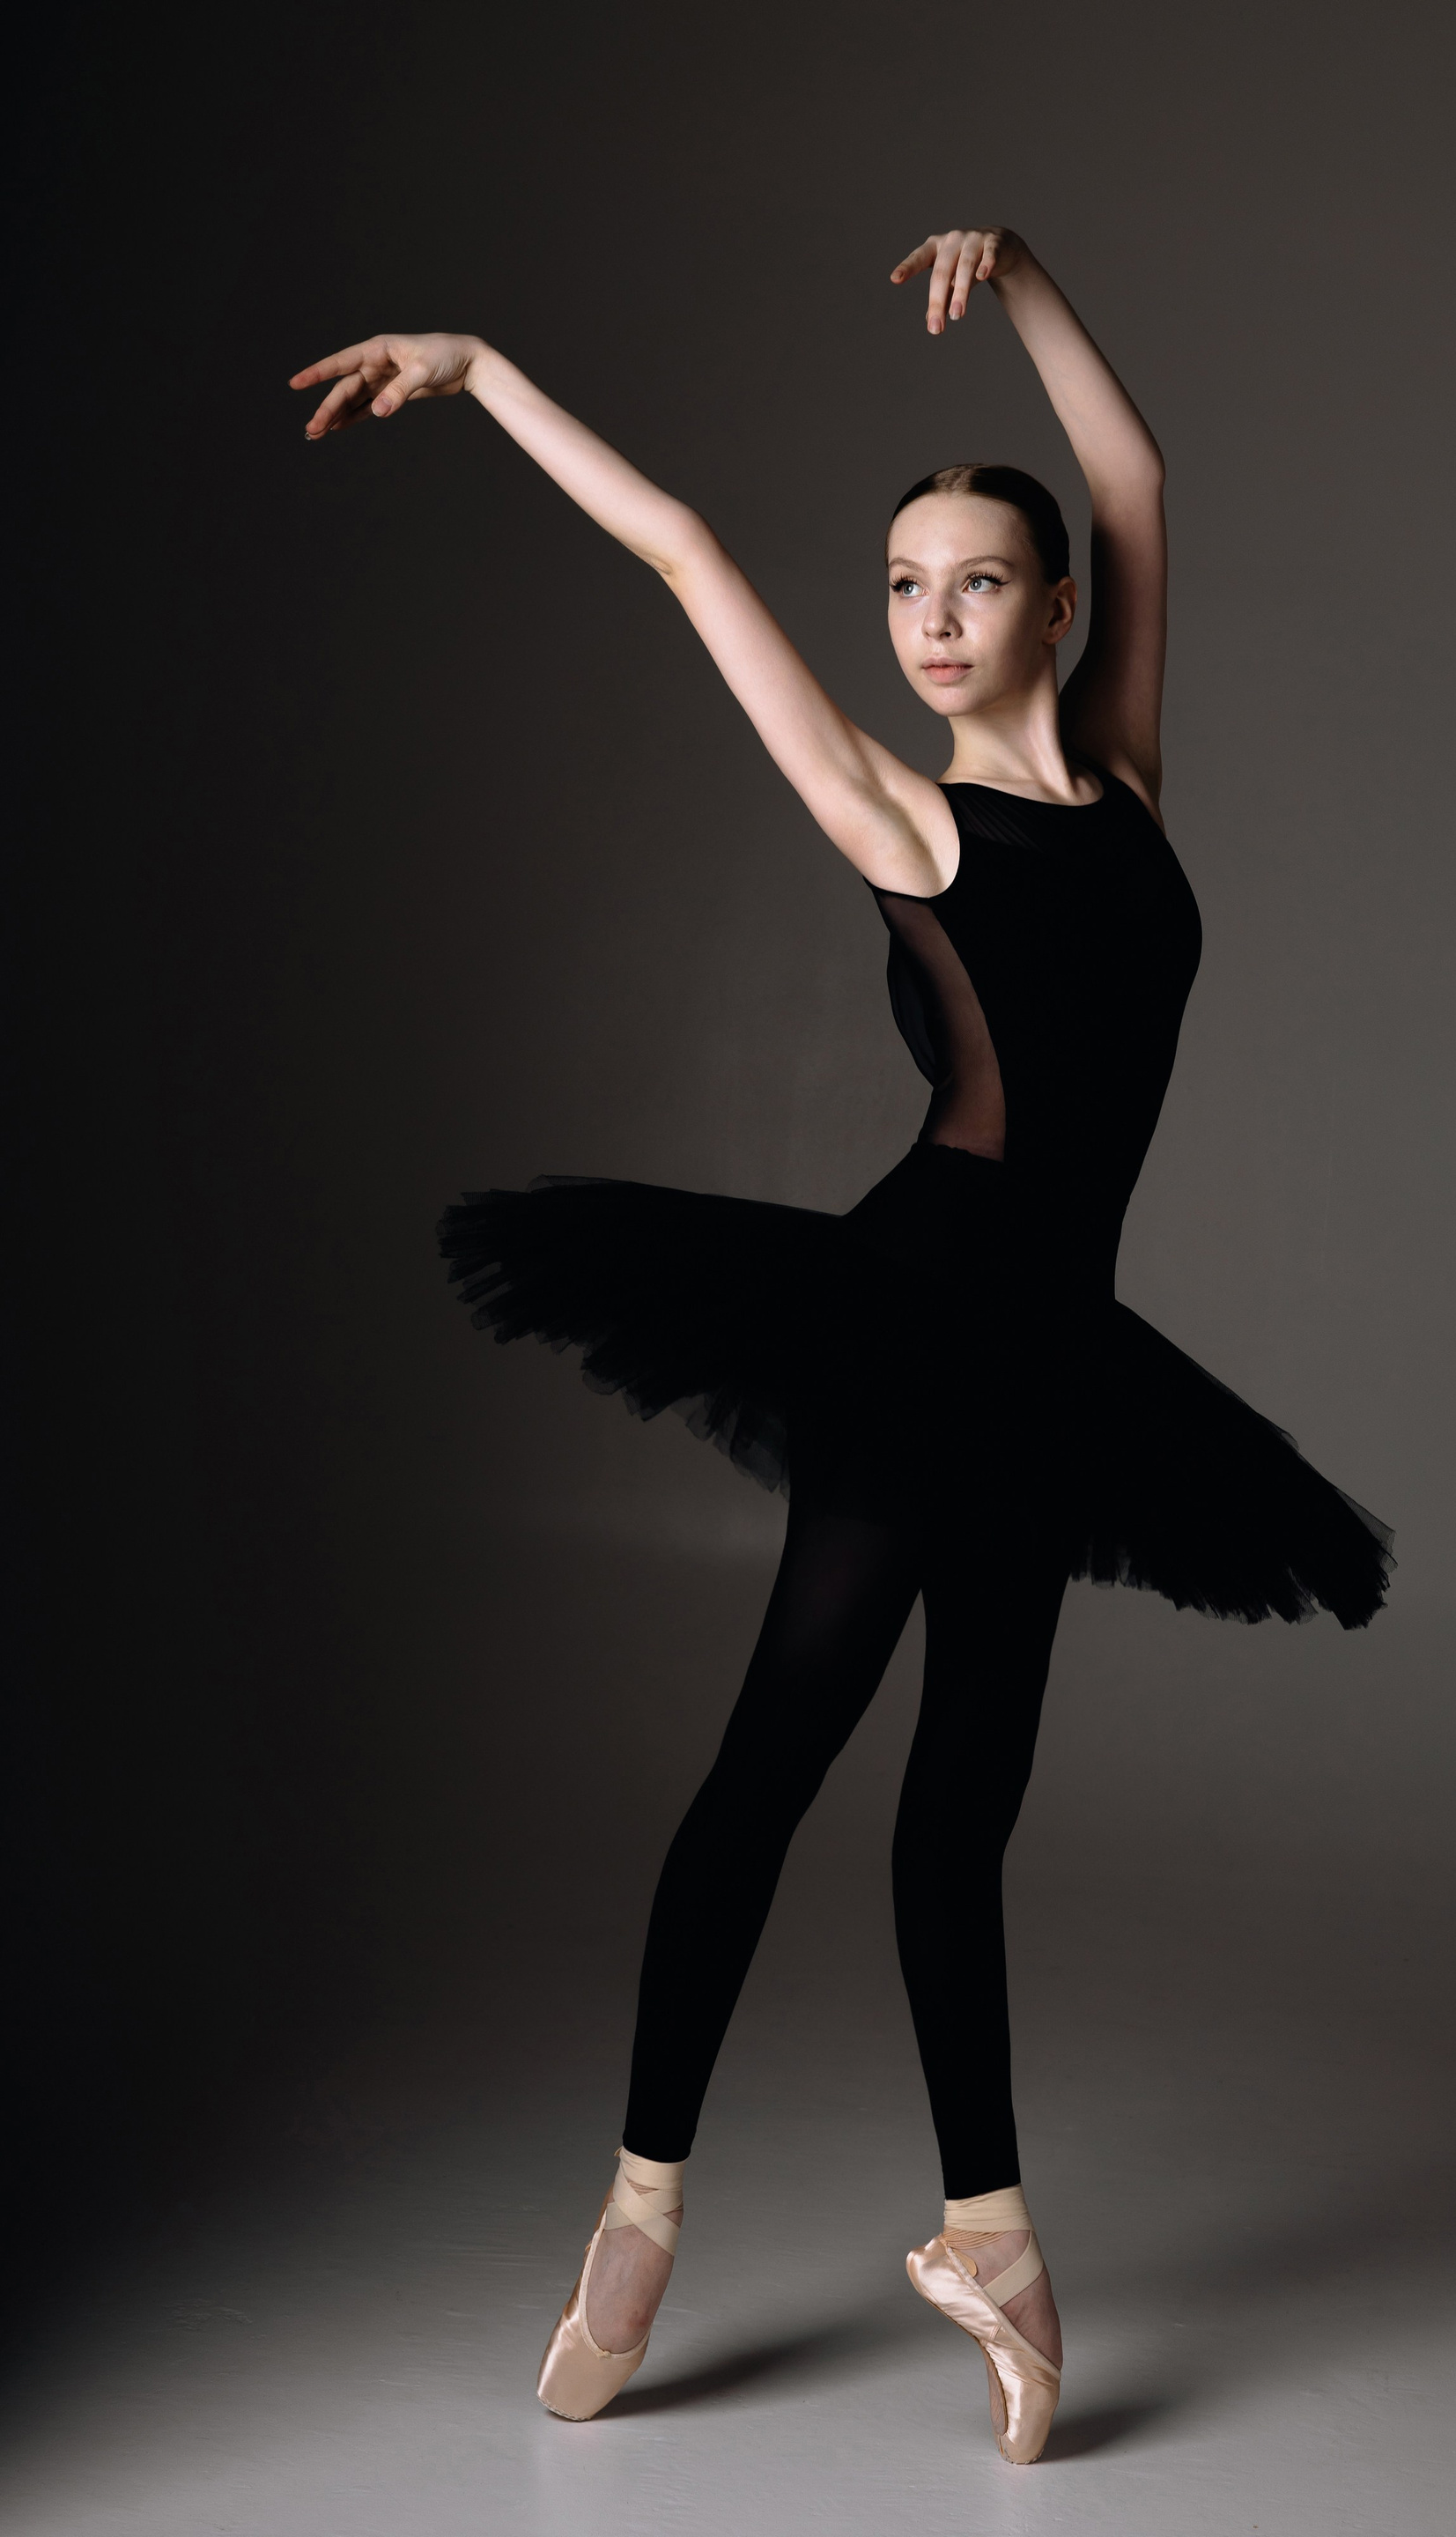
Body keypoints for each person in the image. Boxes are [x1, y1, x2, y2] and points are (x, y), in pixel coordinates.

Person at [292, 224, 1393, 2465]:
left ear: (1055, 611)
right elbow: (686, 552)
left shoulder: (1129, 778)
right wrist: (486, 368)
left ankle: (993, 2236)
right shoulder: (904, 814)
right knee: (775, 1764)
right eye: (905, 587)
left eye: (979, 583)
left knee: (962, 1814)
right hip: (914, 1320)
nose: (935, 619)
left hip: (1060, 1356)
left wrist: (1034, 276)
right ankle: (640, 2204)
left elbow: (1138, 481)